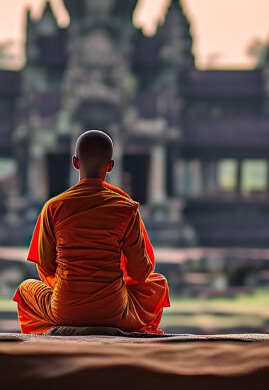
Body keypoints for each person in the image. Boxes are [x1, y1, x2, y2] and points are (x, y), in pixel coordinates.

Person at [13, 130, 170, 334]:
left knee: (26, 290)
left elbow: (45, 266)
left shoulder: (54, 207)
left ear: (75, 162)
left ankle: (53, 335)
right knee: (158, 284)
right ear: (111, 166)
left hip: (63, 310)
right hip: (114, 311)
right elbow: (140, 273)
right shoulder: (125, 208)